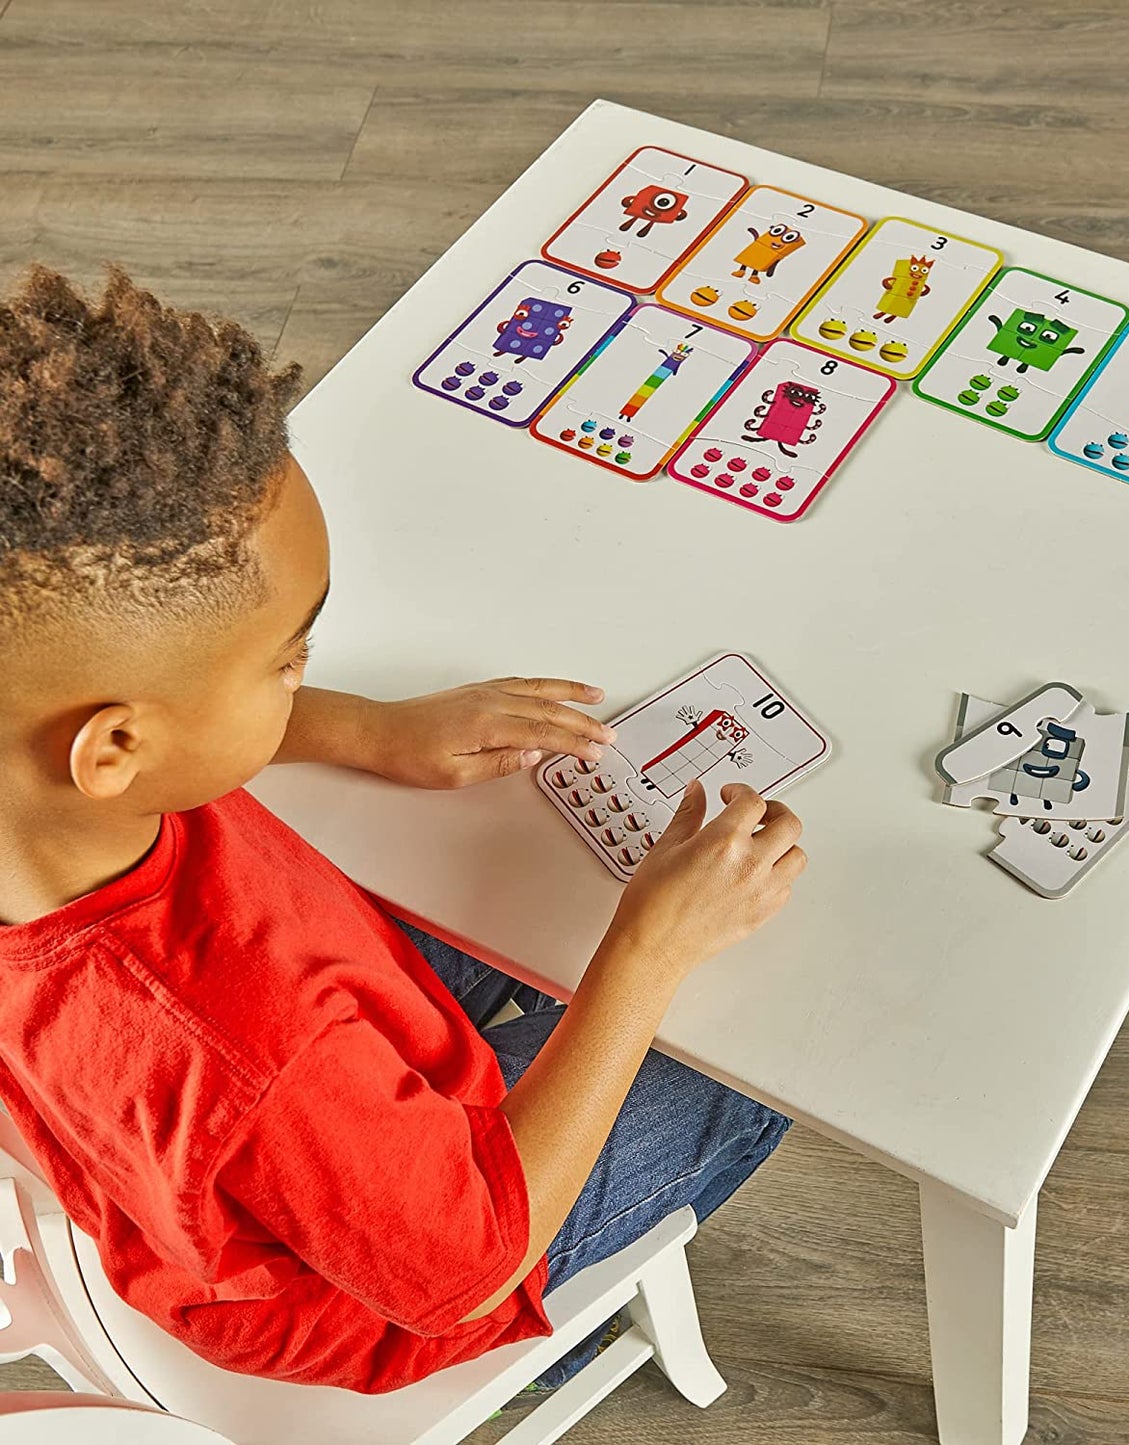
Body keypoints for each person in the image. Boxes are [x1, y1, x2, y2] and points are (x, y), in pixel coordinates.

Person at [0, 266, 805, 1394]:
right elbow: (465, 1266)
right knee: (772, 1058)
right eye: (289, 659)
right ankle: (553, 1335)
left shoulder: (44, 791)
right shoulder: (250, 1042)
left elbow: (145, 746)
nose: (303, 674)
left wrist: (370, 729)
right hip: (396, 1289)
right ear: (116, 749)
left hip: (263, 1117)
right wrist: (647, 950)